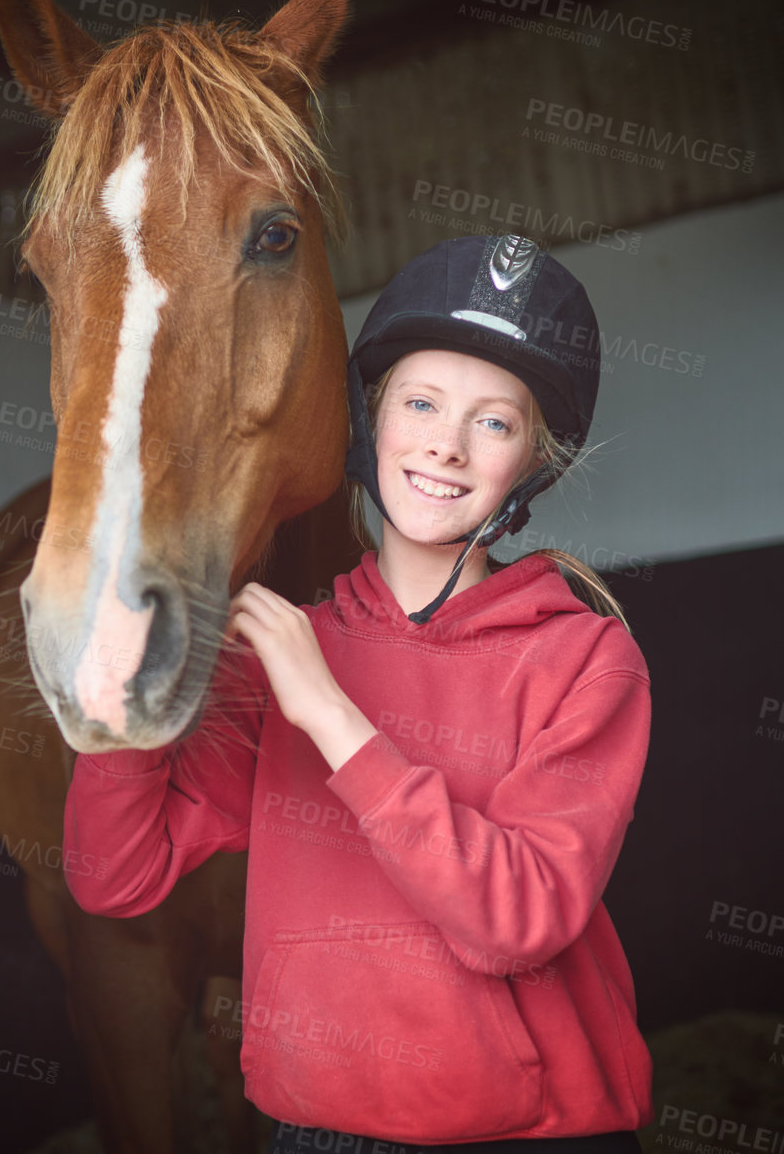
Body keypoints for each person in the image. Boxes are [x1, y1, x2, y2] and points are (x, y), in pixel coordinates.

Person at [62, 234, 653, 1153]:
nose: (444, 446)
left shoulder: (587, 657)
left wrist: (332, 715)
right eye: (419, 403)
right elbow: (114, 878)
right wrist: (128, 698)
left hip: (530, 1134)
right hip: (316, 1129)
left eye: (492, 422)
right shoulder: (276, 654)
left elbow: (519, 921)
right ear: (368, 422)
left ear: (536, 460)